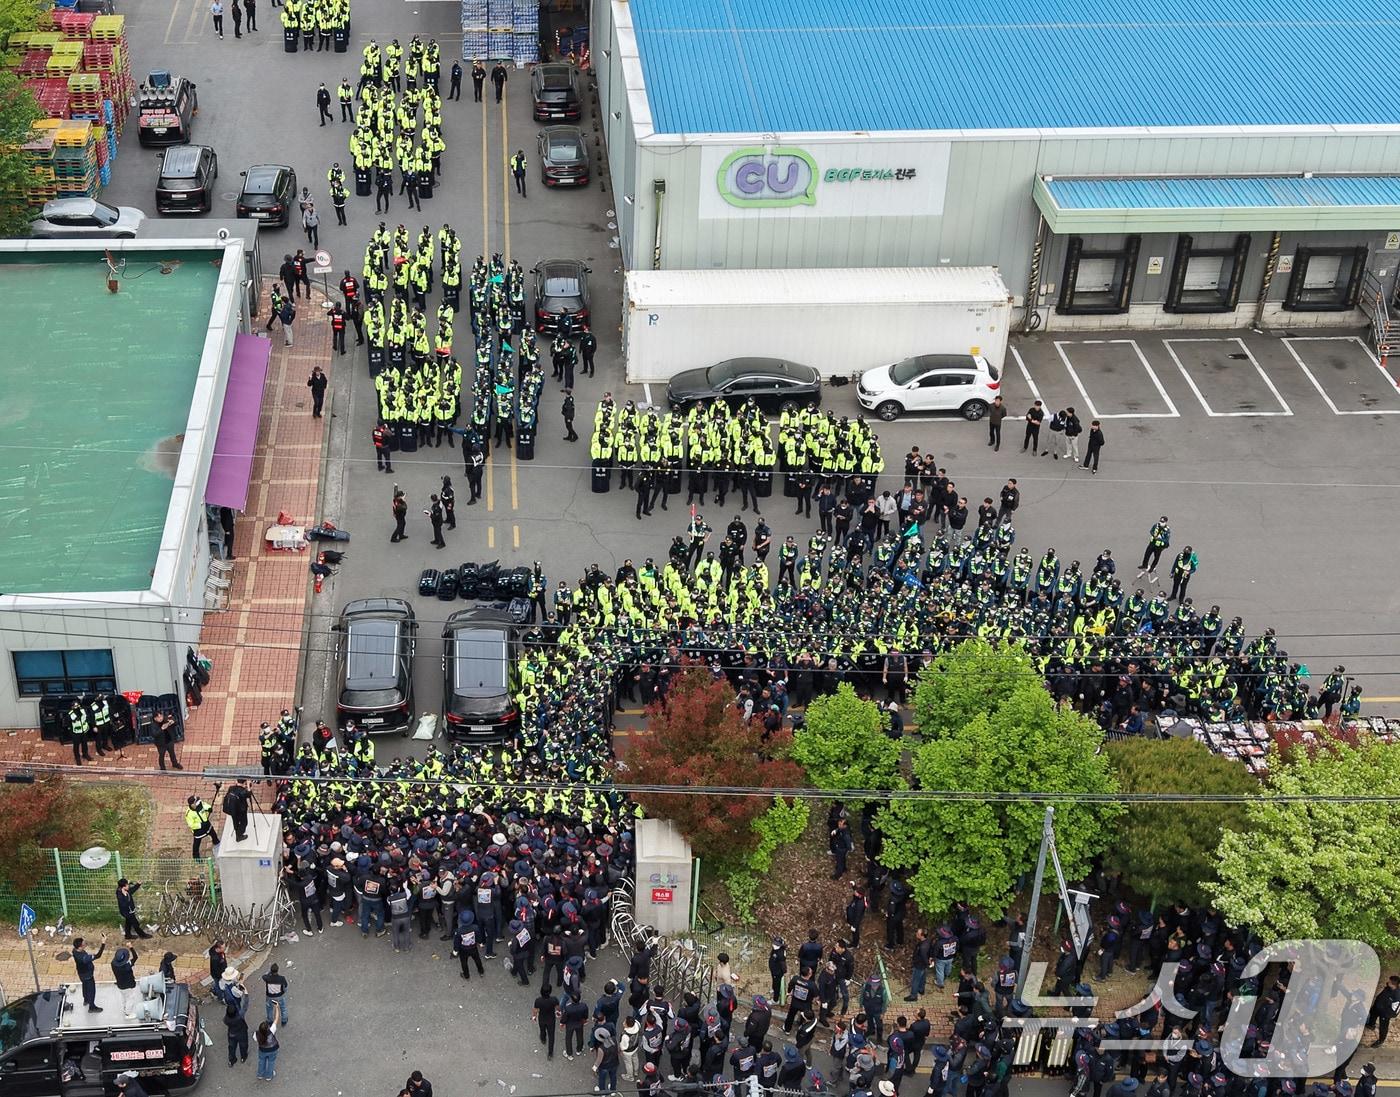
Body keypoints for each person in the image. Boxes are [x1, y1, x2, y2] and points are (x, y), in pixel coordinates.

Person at [72, 935, 107, 1010]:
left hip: (81, 973)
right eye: (83, 943)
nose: (85, 943)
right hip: (88, 975)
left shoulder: (74, 951)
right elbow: (98, 955)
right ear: (80, 947)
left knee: (85, 986)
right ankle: (92, 1007)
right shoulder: (84, 958)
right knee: (91, 990)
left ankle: (86, 1000)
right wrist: (103, 943)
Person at [185, 794, 218, 858]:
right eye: (196, 801)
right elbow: (191, 825)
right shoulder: (189, 814)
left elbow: (204, 805)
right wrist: (200, 825)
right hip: (198, 830)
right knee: (196, 844)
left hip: (206, 824)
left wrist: (208, 808)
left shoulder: (200, 803)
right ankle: (196, 856)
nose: (198, 802)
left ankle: (216, 841)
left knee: (213, 833)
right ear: (192, 804)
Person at [111, 945, 138, 1017]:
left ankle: (124, 1008)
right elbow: (135, 957)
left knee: (124, 997)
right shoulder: (127, 966)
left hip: (120, 985)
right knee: (130, 998)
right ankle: (128, 1013)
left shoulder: (113, 964)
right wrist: (131, 947)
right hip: (128, 986)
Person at [534, 983, 560, 1059]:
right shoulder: (554, 999)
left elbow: (535, 1010)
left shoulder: (538, 1000)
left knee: (542, 1029)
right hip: (551, 1019)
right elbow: (558, 1008)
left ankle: (543, 1038)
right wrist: (558, 1012)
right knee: (551, 1036)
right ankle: (550, 1053)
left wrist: (534, 1016)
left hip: (542, 1018)